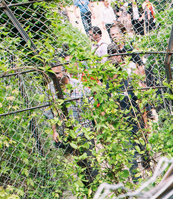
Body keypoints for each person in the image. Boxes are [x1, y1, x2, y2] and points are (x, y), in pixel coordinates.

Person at [44, 65, 99, 185]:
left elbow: (91, 104)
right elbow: (51, 112)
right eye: (52, 75)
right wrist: (55, 131)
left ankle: (97, 188)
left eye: (57, 74)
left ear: (65, 72)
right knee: (80, 165)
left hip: (85, 129)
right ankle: (89, 190)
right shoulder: (50, 89)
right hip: (68, 133)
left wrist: (96, 125)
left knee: (91, 162)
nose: (55, 77)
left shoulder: (78, 85)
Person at [107, 43, 149, 180]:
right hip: (122, 125)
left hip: (136, 120)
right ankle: (136, 179)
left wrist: (145, 122)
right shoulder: (108, 88)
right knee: (129, 153)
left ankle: (148, 170)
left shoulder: (128, 83)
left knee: (143, 148)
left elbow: (140, 101)